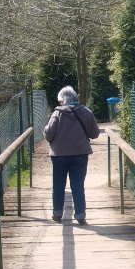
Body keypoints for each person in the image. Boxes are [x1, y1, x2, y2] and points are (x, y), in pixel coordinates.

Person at [43, 86, 100, 225]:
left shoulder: (57, 113)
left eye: (60, 101)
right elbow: (95, 134)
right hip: (80, 153)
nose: (60, 103)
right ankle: (80, 215)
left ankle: (57, 213)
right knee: (78, 186)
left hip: (59, 154)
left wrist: (48, 133)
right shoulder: (87, 112)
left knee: (58, 185)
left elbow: (49, 134)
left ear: (63, 100)